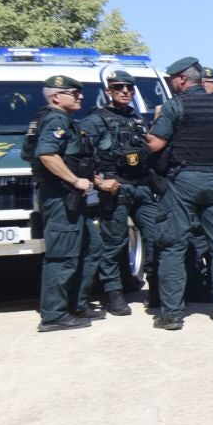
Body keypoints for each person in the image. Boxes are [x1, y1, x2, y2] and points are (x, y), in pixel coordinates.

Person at [145, 57, 213, 331]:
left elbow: (155, 143)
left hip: (183, 181)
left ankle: (172, 314)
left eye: (172, 79)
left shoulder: (175, 105)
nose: (171, 84)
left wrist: (149, 129)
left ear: (182, 79)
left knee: (173, 245)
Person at [26, 74, 101, 332]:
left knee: (91, 247)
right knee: (63, 255)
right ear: (56, 96)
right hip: (60, 196)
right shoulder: (56, 118)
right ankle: (54, 315)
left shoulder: (57, 118)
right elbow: (46, 154)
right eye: (74, 92)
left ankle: (76, 304)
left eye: (80, 92)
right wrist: (75, 180)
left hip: (70, 197)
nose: (80, 96)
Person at [79, 70, 157, 318]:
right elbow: (80, 158)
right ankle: (113, 294)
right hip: (116, 188)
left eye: (129, 88)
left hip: (142, 187)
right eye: (118, 87)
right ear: (108, 92)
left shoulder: (136, 118)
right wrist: (99, 182)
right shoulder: (95, 120)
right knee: (114, 243)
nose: (125, 91)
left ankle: (156, 290)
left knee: (156, 237)